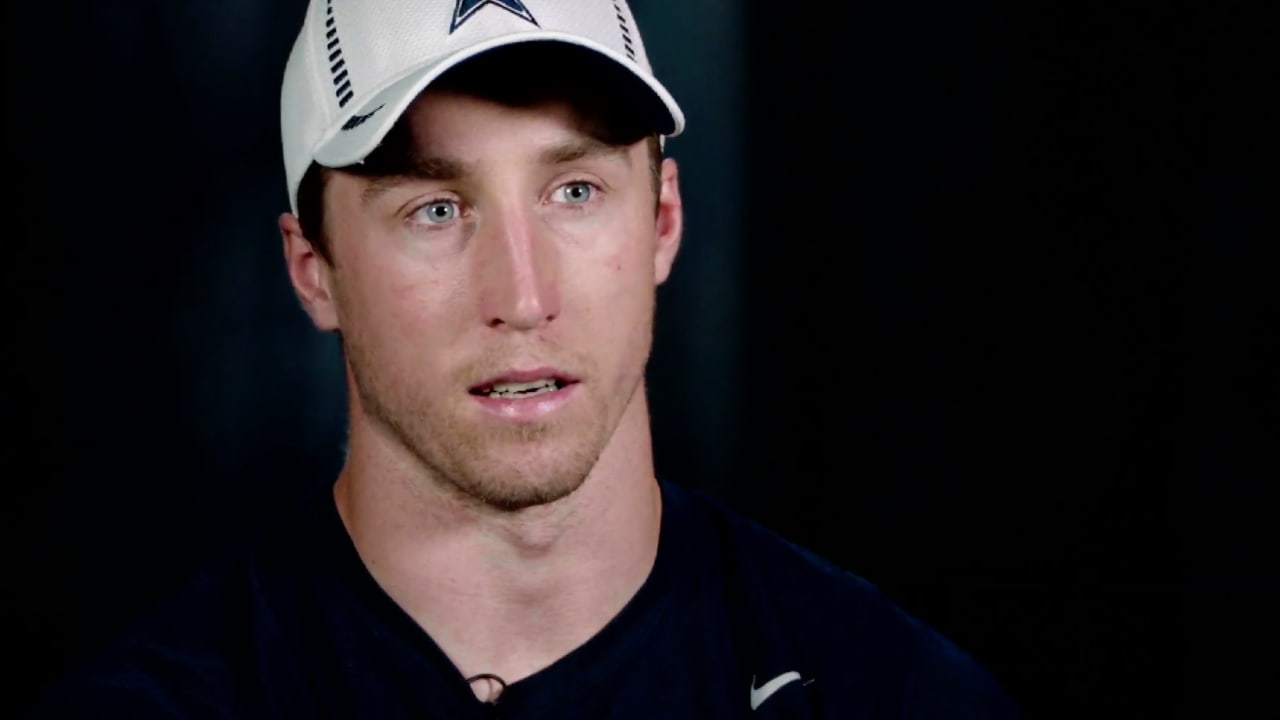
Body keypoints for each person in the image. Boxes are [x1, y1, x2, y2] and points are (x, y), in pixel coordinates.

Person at [25, 1, 1022, 717]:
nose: (522, 297)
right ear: (312, 268)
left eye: (575, 192)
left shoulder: (887, 692)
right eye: (435, 208)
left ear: (664, 219)